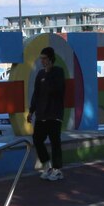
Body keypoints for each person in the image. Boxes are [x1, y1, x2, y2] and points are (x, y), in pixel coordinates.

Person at [28, 47, 66, 181]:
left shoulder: (58, 72)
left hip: (54, 114)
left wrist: (49, 72)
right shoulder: (39, 74)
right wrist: (31, 111)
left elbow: (57, 90)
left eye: (44, 58)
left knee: (55, 142)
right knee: (37, 139)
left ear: (50, 58)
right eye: (41, 58)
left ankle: (57, 170)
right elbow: (36, 94)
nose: (42, 61)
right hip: (41, 115)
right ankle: (47, 166)